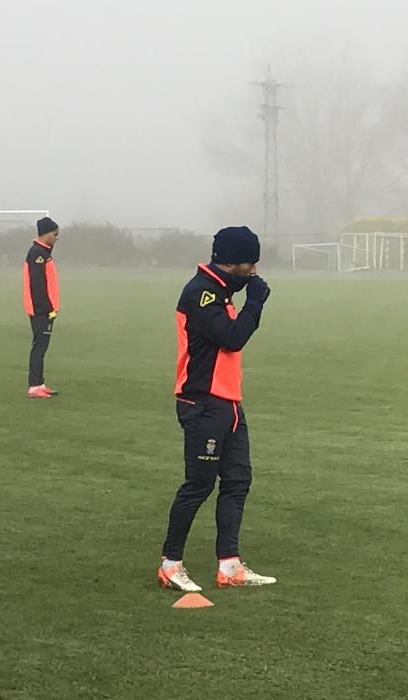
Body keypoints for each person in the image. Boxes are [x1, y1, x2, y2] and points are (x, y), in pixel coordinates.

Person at [158, 226, 276, 592]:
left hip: (229, 402)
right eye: (250, 264)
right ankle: (170, 564)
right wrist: (255, 303)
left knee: (238, 481)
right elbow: (233, 337)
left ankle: (229, 565)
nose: (254, 272)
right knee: (199, 485)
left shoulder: (221, 291)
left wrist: (246, 298)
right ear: (233, 261)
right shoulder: (201, 294)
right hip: (203, 402)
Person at [23, 217, 60, 398]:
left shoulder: (43, 253)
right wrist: (48, 309)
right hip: (41, 310)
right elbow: (37, 285)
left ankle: (40, 383)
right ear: (45, 234)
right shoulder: (37, 254)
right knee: (39, 347)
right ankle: (34, 386)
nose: (57, 237)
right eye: (55, 234)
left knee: (42, 347)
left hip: (45, 309)